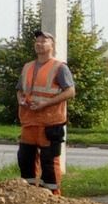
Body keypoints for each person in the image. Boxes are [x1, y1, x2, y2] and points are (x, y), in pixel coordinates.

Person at [16, 30, 75, 195]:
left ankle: (53, 199)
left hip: (50, 123)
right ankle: (29, 195)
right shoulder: (27, 67)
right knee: (25, 160)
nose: (39, 43)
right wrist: (21, 100)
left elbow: (70, 91)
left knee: (49, 162)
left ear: (52, 45)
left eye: (44, 40)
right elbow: (20, 90)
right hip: (29, 122)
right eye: (37, 40)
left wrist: (46, 103)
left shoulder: (60, 67)